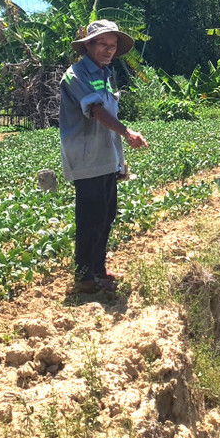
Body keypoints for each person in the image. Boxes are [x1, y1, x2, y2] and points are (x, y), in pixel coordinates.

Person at [60, 19, 148, 293]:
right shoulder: (76, 75)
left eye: (113, 45)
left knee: (106, 214)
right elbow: (97, 111)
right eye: (103, 44)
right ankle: (84, 278)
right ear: (88, 45)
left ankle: (98, 268)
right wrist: (127, 132)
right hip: (86, 158)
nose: (109, 50)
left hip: (105, 156)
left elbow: (108, 113)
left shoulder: (104, 74)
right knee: (91, 218)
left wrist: (118, 159)